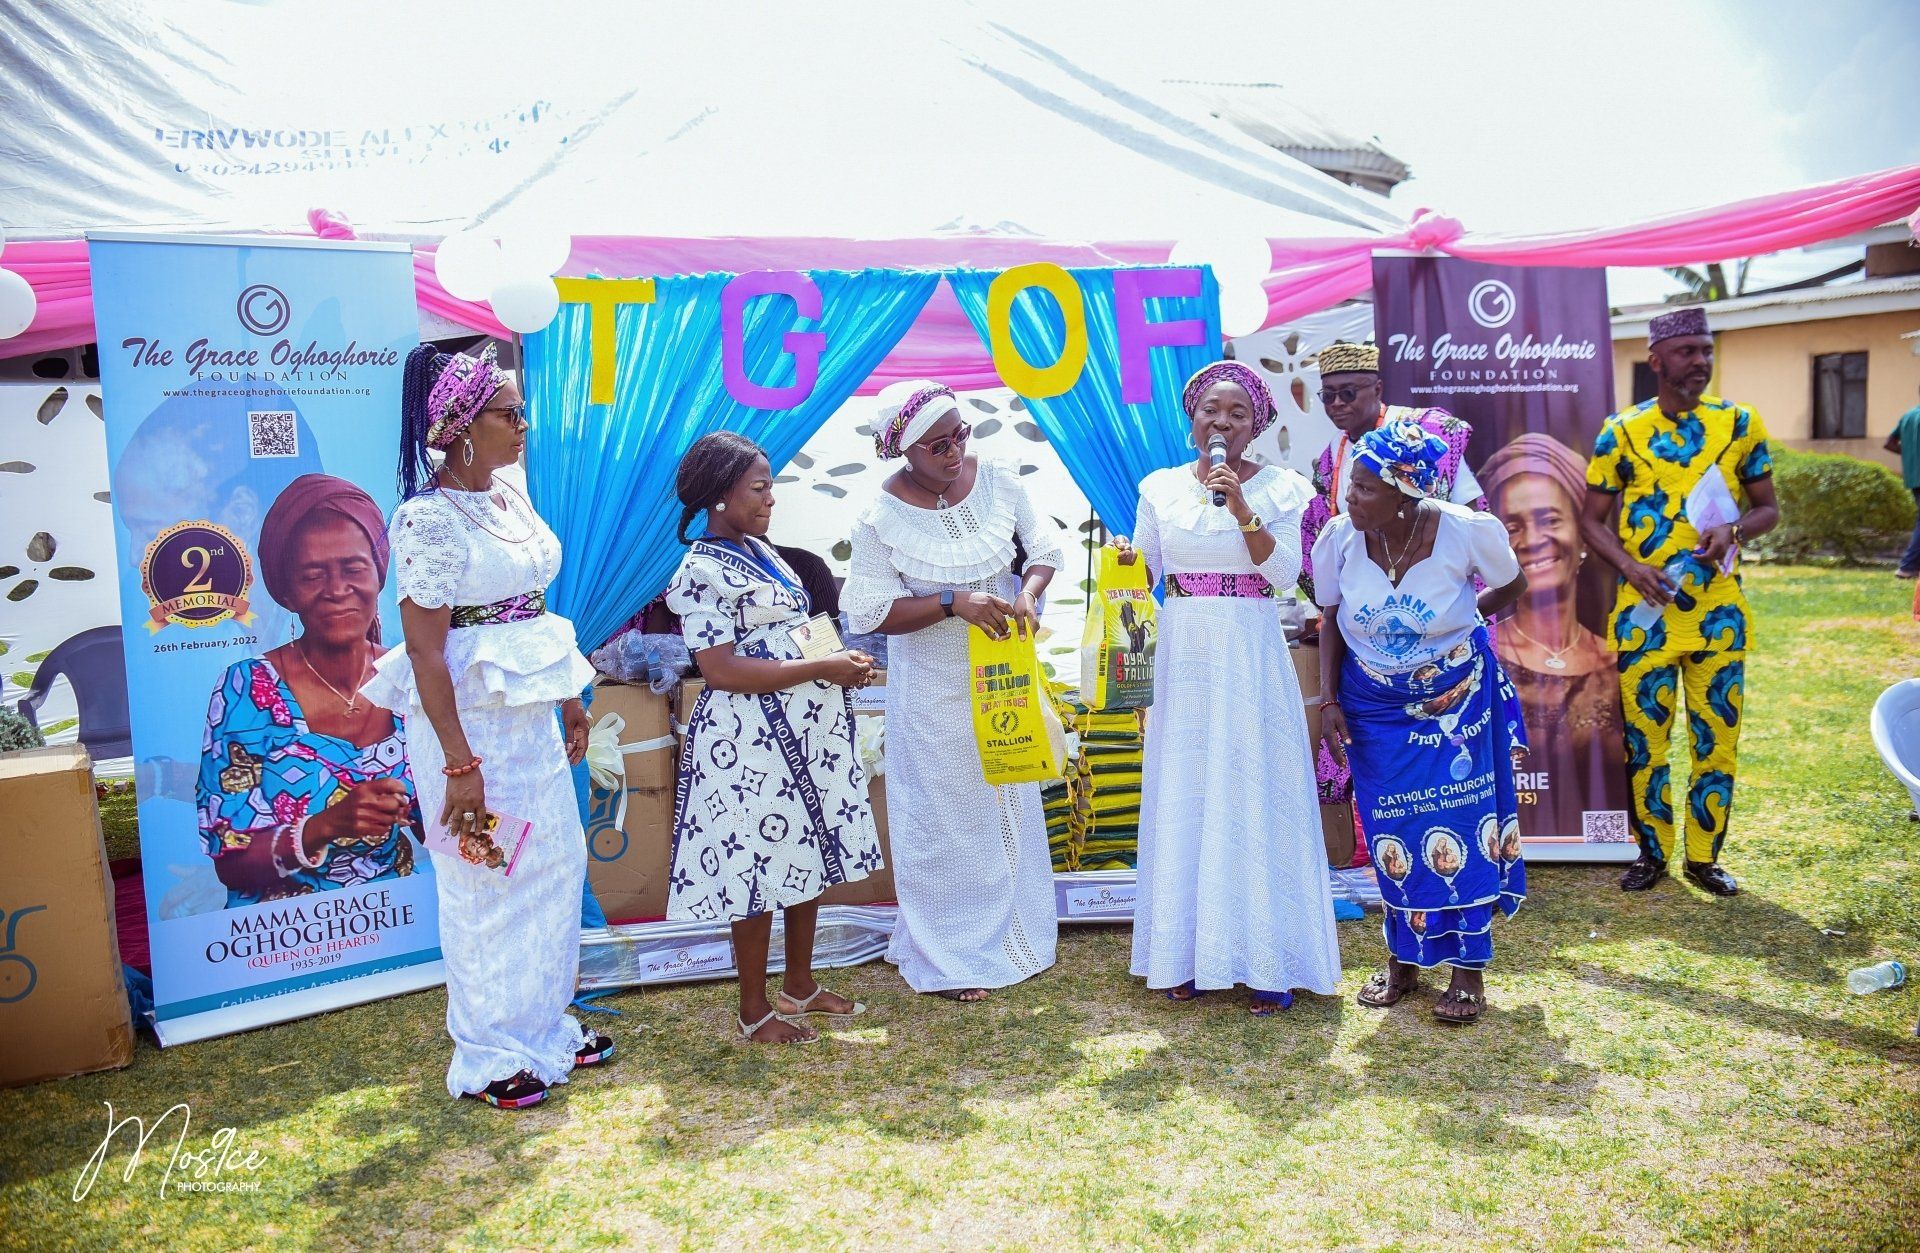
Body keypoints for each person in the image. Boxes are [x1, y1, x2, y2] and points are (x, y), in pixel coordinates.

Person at [360, 343, 608, 1109]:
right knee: (484, 880)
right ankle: (489, 1050)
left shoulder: (512, 497)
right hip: (466, 731)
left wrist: (569, 694)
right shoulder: (426, 520)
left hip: (529, 719)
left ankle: (545, 1024)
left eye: (520, 412)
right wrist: (459, 765)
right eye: (510, 413)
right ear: (462, 426)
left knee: (554, 864)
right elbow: (426, 652)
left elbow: (534, 608)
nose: (523, 425)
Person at [1110, 361, 1340, 1014]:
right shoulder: (1158, 488)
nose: (1223, 422)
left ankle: (1267, 957)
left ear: (1256, 424)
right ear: (1192, 418)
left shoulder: (1285, 489)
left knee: (1253, 790)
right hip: (1184, 654)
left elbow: (1286, 574)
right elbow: (1146, 575)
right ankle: (1182, 954)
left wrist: (1242, 508)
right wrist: (1126, 563)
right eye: (1212, 409)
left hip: (1250, 653)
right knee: (1187, 791)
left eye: (1238, 413)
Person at [844, 379, 1064, 1002]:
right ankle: (951, 955)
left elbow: (1044, 548)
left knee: (1007, 803)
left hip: (1000, 678)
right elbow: (870, 611)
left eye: (960, 435)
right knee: (945, 822)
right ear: (905, 450)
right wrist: (950, 602)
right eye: (938, 444)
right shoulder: (879, 518)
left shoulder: (996, 480)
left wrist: (1028, 592)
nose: (954, 451)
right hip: (932, 691)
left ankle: (1018, 935)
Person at [664, 431, 885, 1045]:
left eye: (771, 487)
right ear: (719, 496)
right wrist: (820, 667)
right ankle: (754, 1009)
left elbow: (800, 627)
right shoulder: (699, 571)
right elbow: (721, 669)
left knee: (802, 851)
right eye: (759, 488)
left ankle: (800, 985)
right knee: (757, 864)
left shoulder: (763, 552)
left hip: (805, 729)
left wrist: (838, 660)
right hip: (748, 740)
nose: (771, 499)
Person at [1314, 419, 1529, 1023]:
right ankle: (1402, 963)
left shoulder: (1466, 530)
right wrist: (1328, 701)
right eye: (1350, 484)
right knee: (1394, 829)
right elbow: (1330, 618)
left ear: (1404, 494)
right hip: (1373, 706)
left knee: (1463, 823)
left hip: (1458, 700)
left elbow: (1513, 585)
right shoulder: (1339, 538)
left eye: (1364, 488)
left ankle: (1468, 971)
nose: (1349, 497)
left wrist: (1461, 622)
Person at [1580, 307, 1779, 897]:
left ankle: (1703, 859)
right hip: (1645, 618)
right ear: (1657, 360)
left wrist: (1734, 530)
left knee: (1717, 741)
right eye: (1688, 351)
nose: (1700, 362)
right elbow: (1590, 521)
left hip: (1719, 616)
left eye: (1707, 351)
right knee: (1646, 744)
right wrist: (1630, 567)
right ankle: (1652, 854)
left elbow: (1768, 508)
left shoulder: (1739, 423)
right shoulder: (1622, 431)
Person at [196, 474, 418, 909]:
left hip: (399, 918)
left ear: (378, 574)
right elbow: (231, 865)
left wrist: (511, 838)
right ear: (287, 591)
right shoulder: (247, 689)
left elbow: (443, 823)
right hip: (286, 932)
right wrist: (324, 827)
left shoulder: (409, 676)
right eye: (313, 575)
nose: (336, 591)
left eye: (353, 569)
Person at [1483, 434, 1628, 840]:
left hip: (1599, 837)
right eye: (1512, 526)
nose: (1532, 539)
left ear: (1582, 535)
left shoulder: (1616, 662)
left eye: (1550, 520)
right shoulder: (1483, 656)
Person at [1297, 341, 1486, 605]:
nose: (1337, 403)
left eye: (1348, 393)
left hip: (1436, 585)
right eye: (1328, 396)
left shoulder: (1420, 433)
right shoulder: (1333, 451)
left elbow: (1471, 513)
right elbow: (1319, 530)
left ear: (1377, 389)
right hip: (1370, 597)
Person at [1885, 384, 1920, 579]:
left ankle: (1909, 566)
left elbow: (1889, 443)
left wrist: (1908, 454)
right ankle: (1908, 566)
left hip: (1914, 476)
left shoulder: (1908, 416)